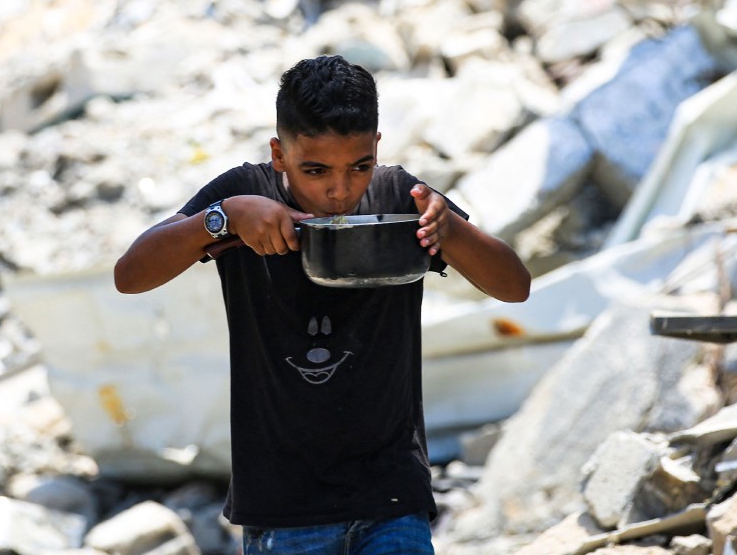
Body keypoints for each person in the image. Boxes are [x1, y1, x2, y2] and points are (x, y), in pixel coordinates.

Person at [114, 54, 531, 555]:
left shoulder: (400, 197)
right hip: (284, 505)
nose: (339, 190)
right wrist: (221, 219)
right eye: (315, 170)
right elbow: (130, 275)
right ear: (278, 153)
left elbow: (514, 286)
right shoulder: (244, 196)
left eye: (359, 167)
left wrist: (451, 230)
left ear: (377, 147)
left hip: (392, 494)